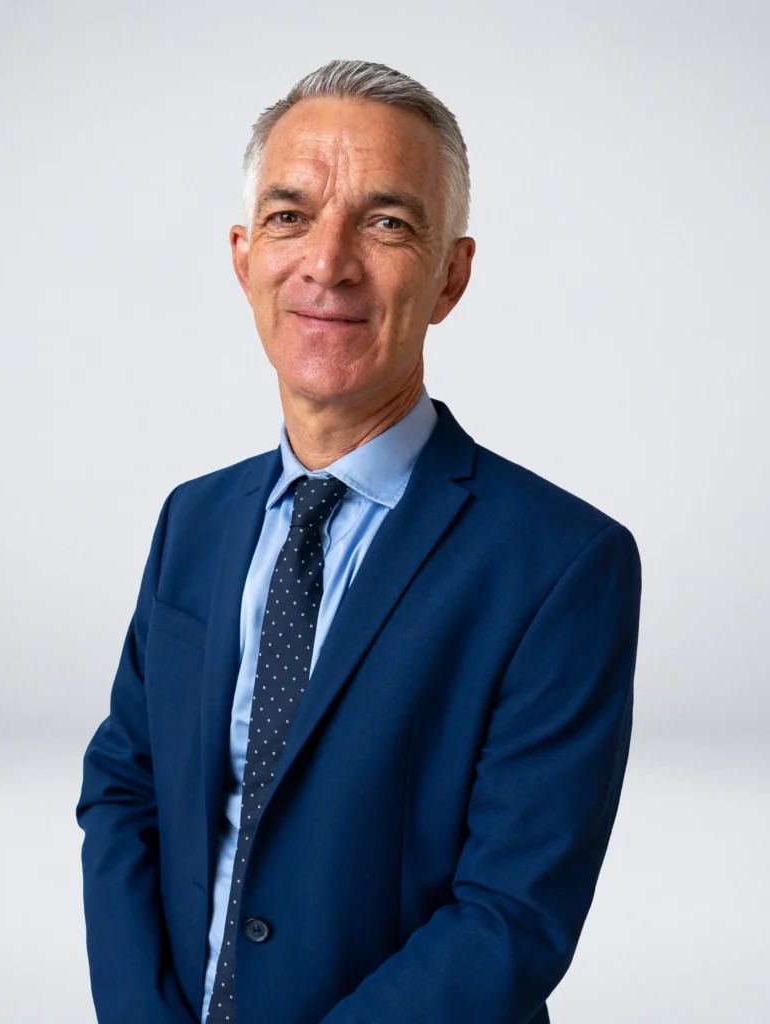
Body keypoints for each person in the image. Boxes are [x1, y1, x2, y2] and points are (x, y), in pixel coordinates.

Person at [76, 58, 642, 1024]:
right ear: (244, 256)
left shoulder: (563, 565)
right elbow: (126, 792)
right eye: (289, 216)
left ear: (451, 275)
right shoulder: (192, 522)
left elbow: (512, 915)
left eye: (385, 223)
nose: (327, 263)